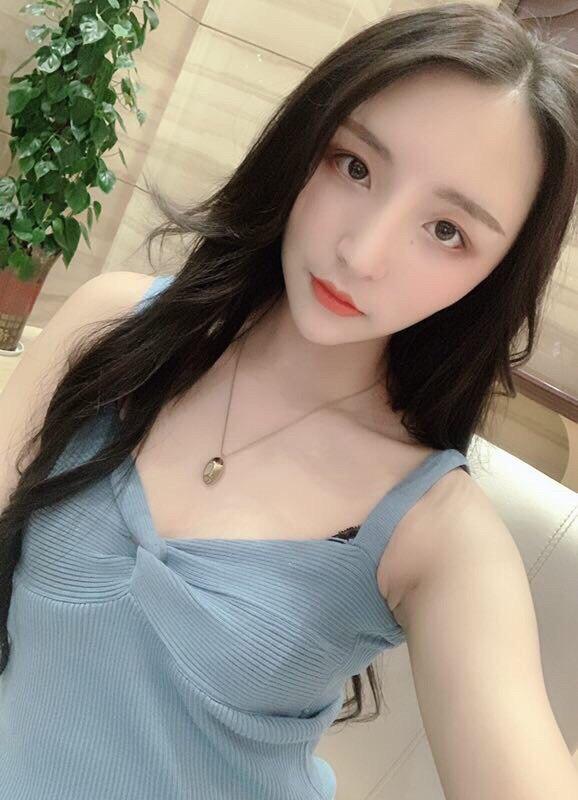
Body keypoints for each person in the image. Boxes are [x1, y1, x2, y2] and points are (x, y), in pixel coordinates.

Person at [0, 3, 577, 799]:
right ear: (304, 144)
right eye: (355, 167)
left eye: (447, 231)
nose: (362, 253)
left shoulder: (438, 535)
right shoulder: (112, 330)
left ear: (494, 275)